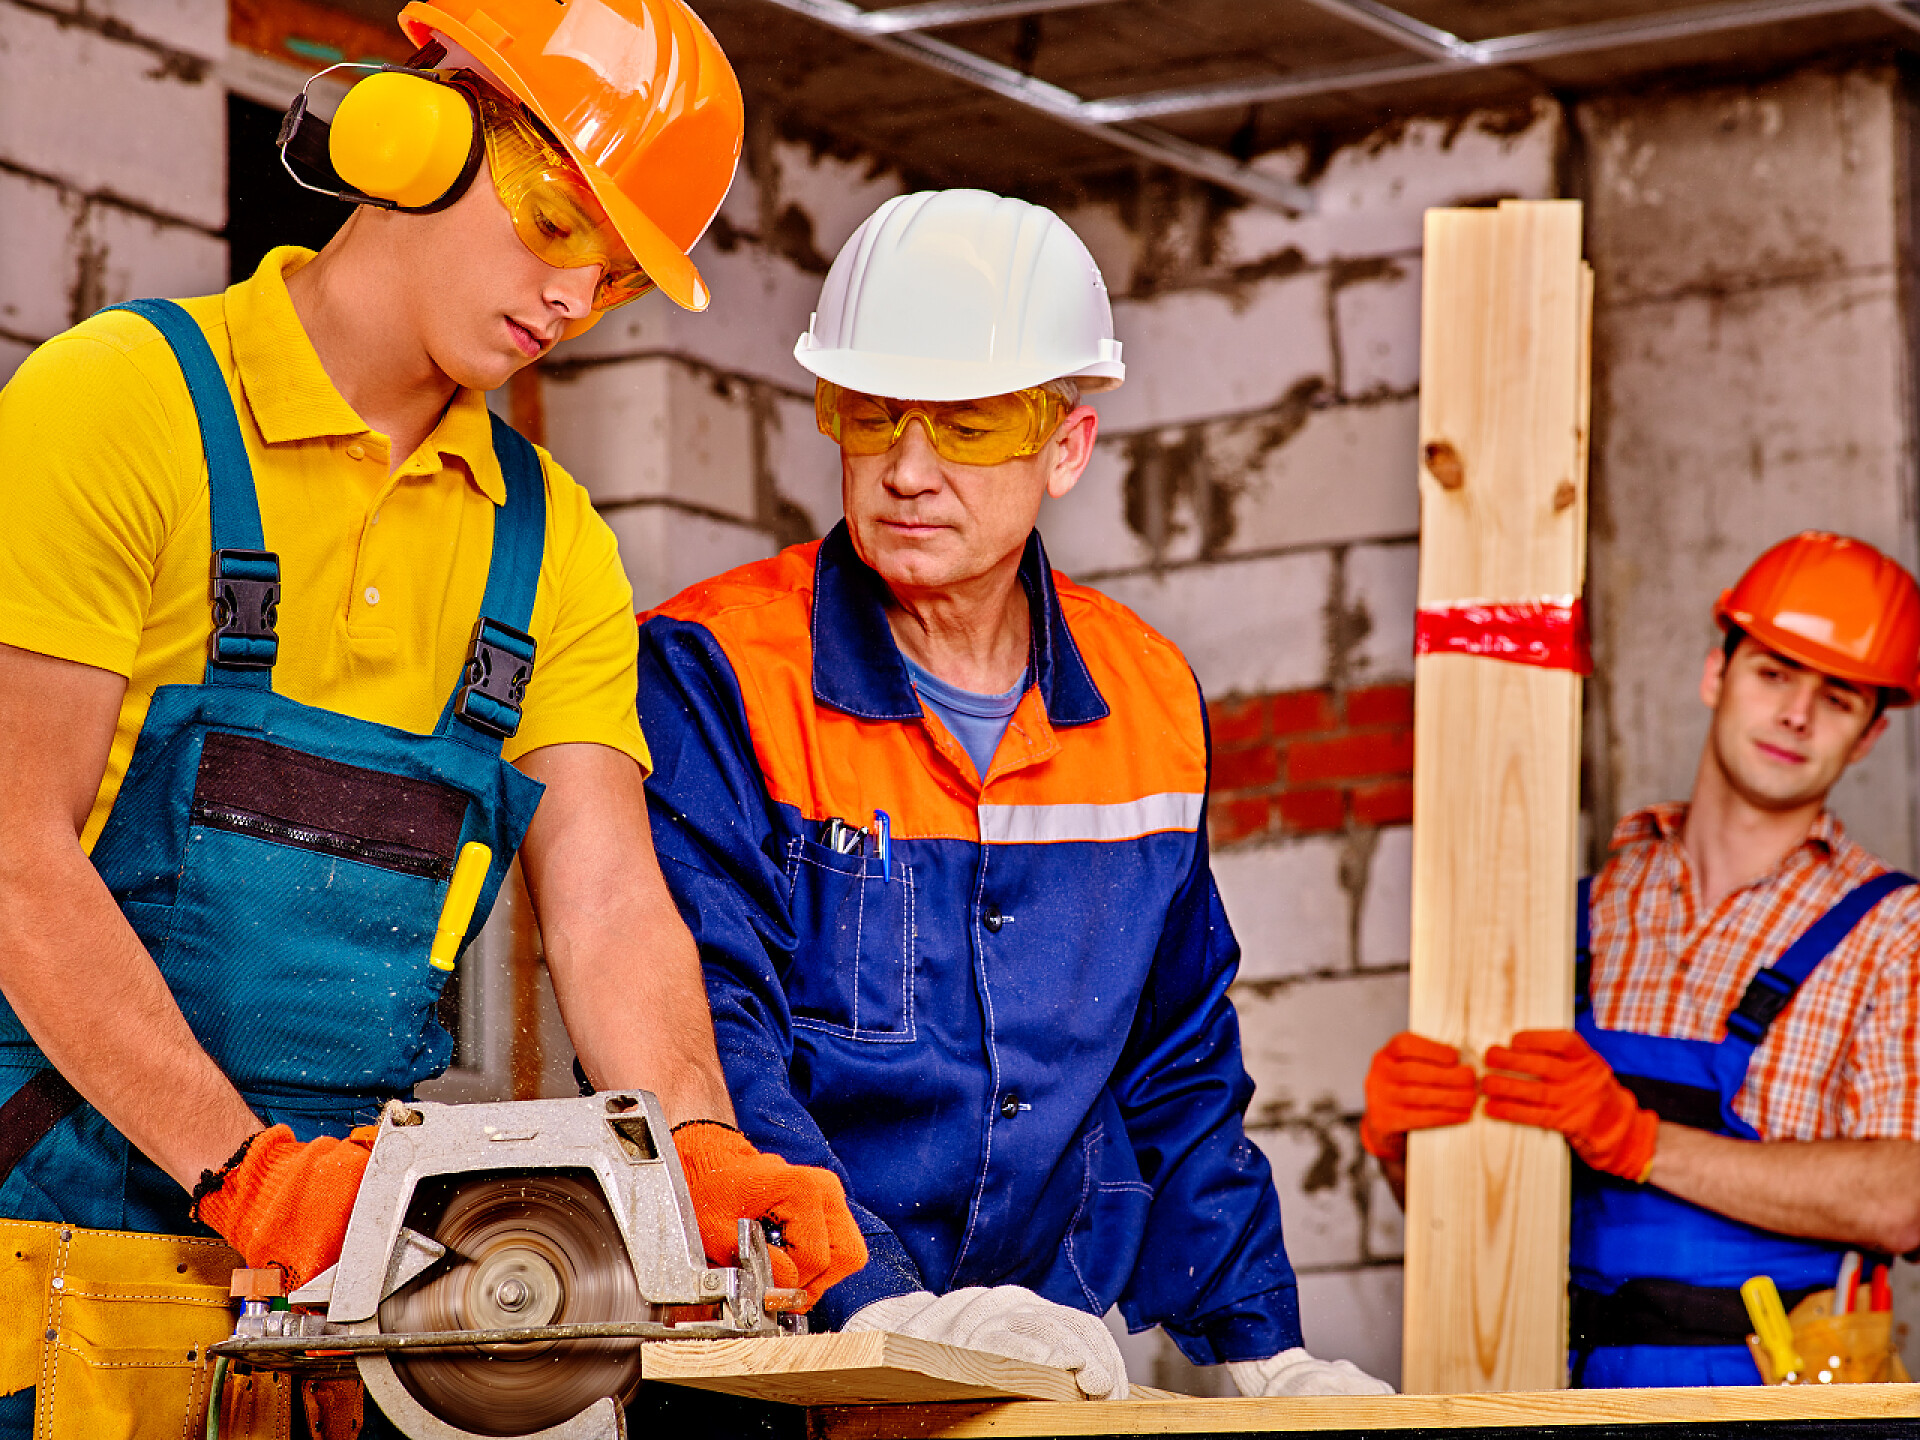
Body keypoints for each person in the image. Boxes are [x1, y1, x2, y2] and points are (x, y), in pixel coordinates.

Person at [0, 1, 863, 1432]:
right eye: (552, 217)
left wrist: (695, 1151)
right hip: (46, 1282)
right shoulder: (121, 407)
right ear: (420, 130)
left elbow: (607, 910)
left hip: (341, 1320)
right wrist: (249, 1174)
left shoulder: (553, 549)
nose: (572, 296)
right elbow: (13, 852)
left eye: (619, 275)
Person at [634, 188, 1392, 1400]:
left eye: (971, 426)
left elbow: (1178, 1067)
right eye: (871, 413)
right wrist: (882, 1313)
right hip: (777, 1364)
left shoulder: (1148, 696)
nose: (907, 470)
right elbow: (711, 1044)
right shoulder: (715, 671)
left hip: (1054, 1364)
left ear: (1067, 447)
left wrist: (1267, 1355)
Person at [1362, 532, 1920, 1387]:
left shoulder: (1891, 931)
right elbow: (1491, 1219)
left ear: (1870, 736)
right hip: (1560, 1395)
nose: (1797, 714)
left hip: (1779, 1408)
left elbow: (1902, 1198)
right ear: (1715, 674)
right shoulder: (1573, 914)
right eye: (1773, 673)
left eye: (1837, 697)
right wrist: (1416, 1158)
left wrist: (1638, 1139)